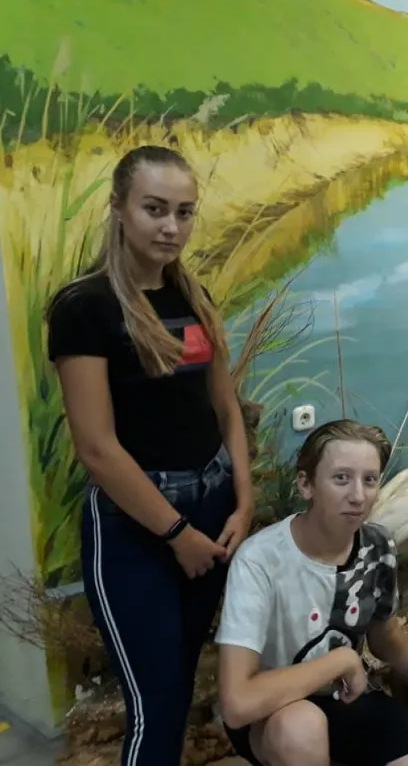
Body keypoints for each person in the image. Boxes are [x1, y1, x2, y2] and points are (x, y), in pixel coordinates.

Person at [46, 145, 255, 765]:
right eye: (155, 209)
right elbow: (96, 448)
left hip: (213, 511)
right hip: (137, 528)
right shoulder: (85, 307)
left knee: (182, 679)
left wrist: (243, 502)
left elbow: (226, 410)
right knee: (155, 703)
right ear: (118, 208)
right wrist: (176, 533)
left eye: (184, 213)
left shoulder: (193, 296)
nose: (171, 227)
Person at [216, 419, 408, 766]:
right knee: (301, 728)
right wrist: (341, 661)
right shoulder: (260, 560)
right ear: (306, 484)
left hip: (347, 698)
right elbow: (237, 703)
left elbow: (383, 636)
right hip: (274, 711)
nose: (358, 496)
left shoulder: (378, 545)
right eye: (341, 479)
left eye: (370, 480)